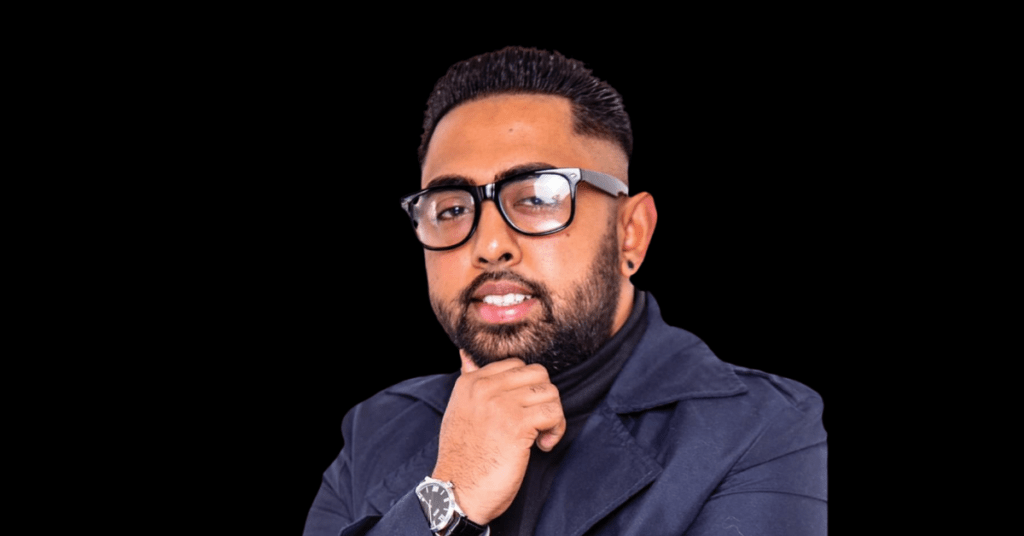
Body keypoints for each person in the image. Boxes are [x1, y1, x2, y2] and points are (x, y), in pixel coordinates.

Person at [304, 46, 827, 536]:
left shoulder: (765, 429)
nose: (489, 245)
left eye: (537, 198)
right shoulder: (376, 429)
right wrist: (452, 495)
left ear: (631, 233)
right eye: (453, 209)